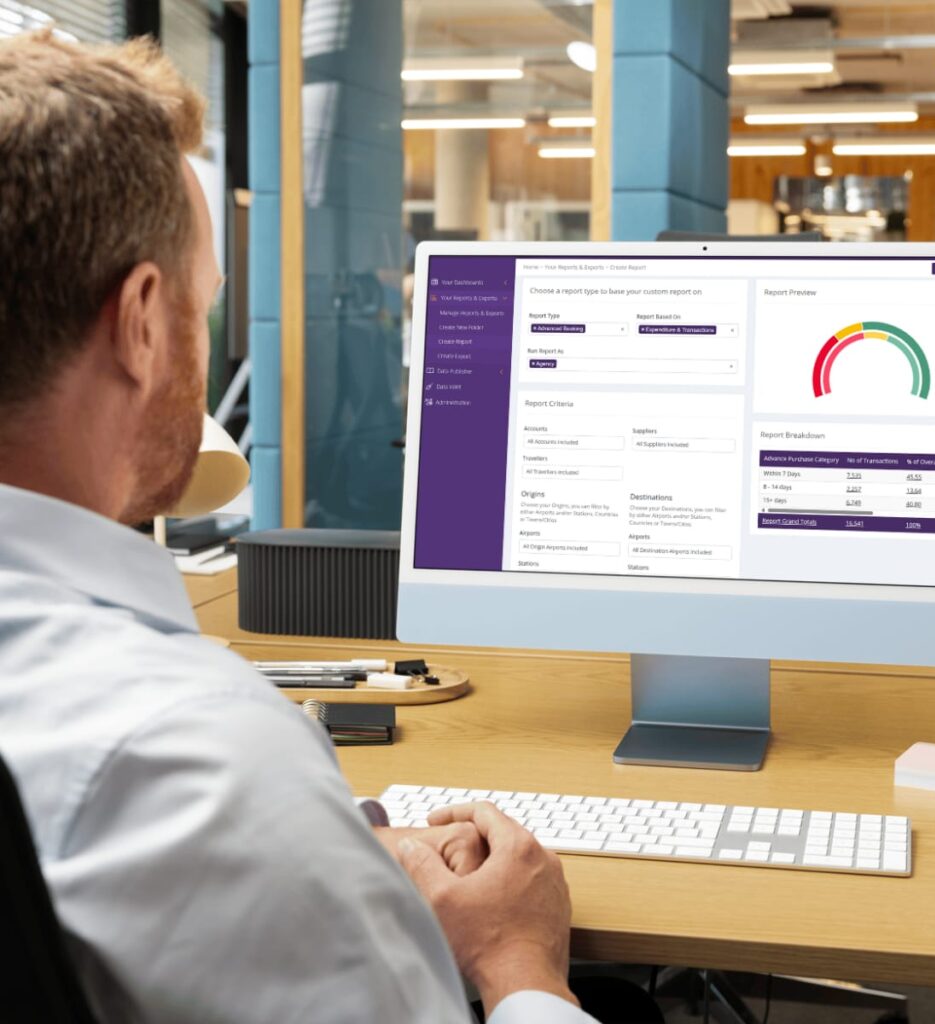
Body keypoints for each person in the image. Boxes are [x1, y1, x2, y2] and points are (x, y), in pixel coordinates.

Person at [0, 31, 597, 1023]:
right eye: (203, 303)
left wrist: (319, 856)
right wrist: (518, 961)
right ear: (143, 323)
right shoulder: (197, 759)